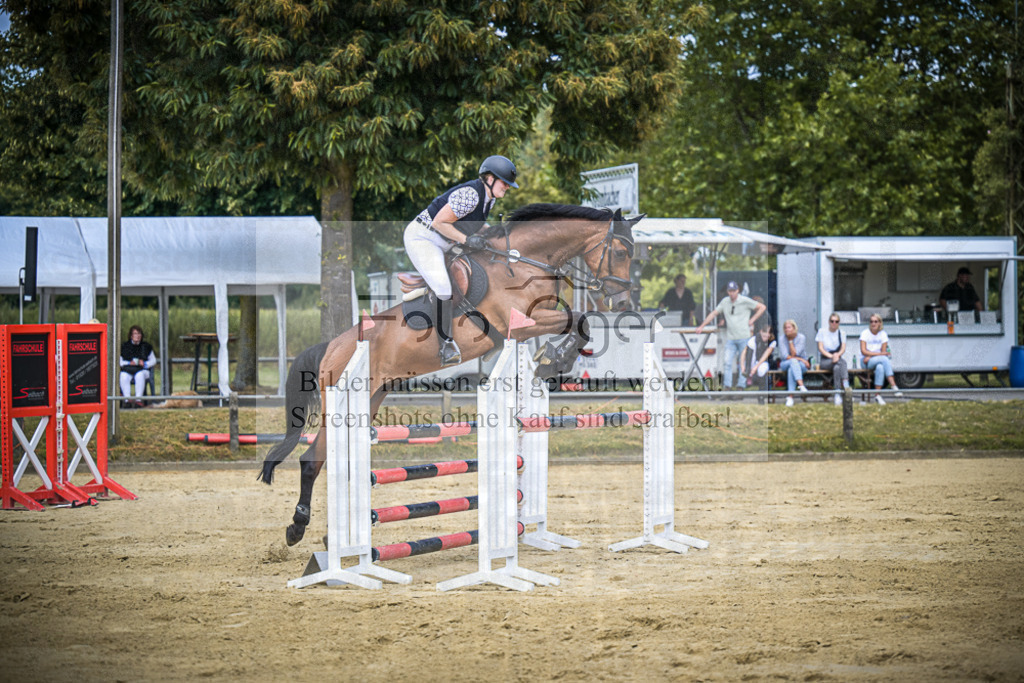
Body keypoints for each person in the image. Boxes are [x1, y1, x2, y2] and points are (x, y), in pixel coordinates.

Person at [403, 155, 518, 366]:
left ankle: (492, 334)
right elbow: (440, 222)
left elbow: (471, 225)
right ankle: (445, 345)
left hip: (445, 241)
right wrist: (467, 240)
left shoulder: (488, 199)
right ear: (490, 178)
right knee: (443, 289)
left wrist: (490, 233)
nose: (508, 187)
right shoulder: (470, 194)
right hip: (424, 237)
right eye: (505, 182)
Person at [695, 281, 767, 393]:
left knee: (742, 363)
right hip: (731, 338)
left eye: (734, 291)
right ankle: (727, 387)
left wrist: (752, 320)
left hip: (744, 337)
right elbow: (714, 313)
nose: (732, 293)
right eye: (730, 291)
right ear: (727, 291)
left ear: (738, 290)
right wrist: (702, 326)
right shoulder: (725, 302)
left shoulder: (744, 300)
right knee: (727, 362)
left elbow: (762, 307)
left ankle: (740, 387)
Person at [859, 315, 903, 405]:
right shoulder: (865, 333)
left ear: (879, 323)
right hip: (865, 361)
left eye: (875, 321)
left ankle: (877, 396)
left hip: (873, 358)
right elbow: (863, 351)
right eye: (871, 321)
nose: (873, 323)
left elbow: (883, 352)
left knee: (880, 367)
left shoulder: (883, 334)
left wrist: (871, 355)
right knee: (884, 359)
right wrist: (875, 355)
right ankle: (893, 385)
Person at [816, 312, 850, 406]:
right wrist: (832, 356)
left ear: (839, 323)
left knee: (837, 368)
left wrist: (837, 355)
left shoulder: (842, 333)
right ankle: (846, 386)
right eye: (832, 321)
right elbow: (820, 348)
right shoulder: (822, 331)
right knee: (842, 363)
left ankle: (837, 394)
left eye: (836, 321)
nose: (834, 323)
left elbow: (843, 348)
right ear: (829, 322)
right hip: (825, 359)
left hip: (837, 358)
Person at [120, 325, 156, 408]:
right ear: (131, 335)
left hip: (142, 370)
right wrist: (129, 363)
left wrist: (145, 363)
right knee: (123, 376)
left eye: (139, 334)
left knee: (140, 375)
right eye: (135, 334)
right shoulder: (125, 346)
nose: (137, 336)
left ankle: (138, 400)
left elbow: (153, 360)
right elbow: (120, 361)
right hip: (129, 369)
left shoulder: (146, 346)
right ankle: (127, 400)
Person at [779, 319, 810, 407]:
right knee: (792, 362)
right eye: (785, 328)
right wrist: (802, 359)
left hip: (800, 365)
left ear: (794, 328)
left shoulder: (801, 337)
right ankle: (801, 385)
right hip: (785, 363)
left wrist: (791, 341)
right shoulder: (782, 338)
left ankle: (790, 397)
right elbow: (786, 356)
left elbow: (795, 353)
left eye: (789, 327)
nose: (786, 330)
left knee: (791, 370)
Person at [739, 325, 777, 397]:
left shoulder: (772, 342)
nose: (765, 338)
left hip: (765, 361)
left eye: (767, 336)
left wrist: (755, 367)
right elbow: (744, 353)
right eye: (764, 336)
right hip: (754, 359)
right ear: (760, 332)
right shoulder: (753, 339)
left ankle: (761, 395)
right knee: (751, 350)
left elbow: (765, 355)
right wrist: (742, 365)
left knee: (761, 370)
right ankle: (748, 372)